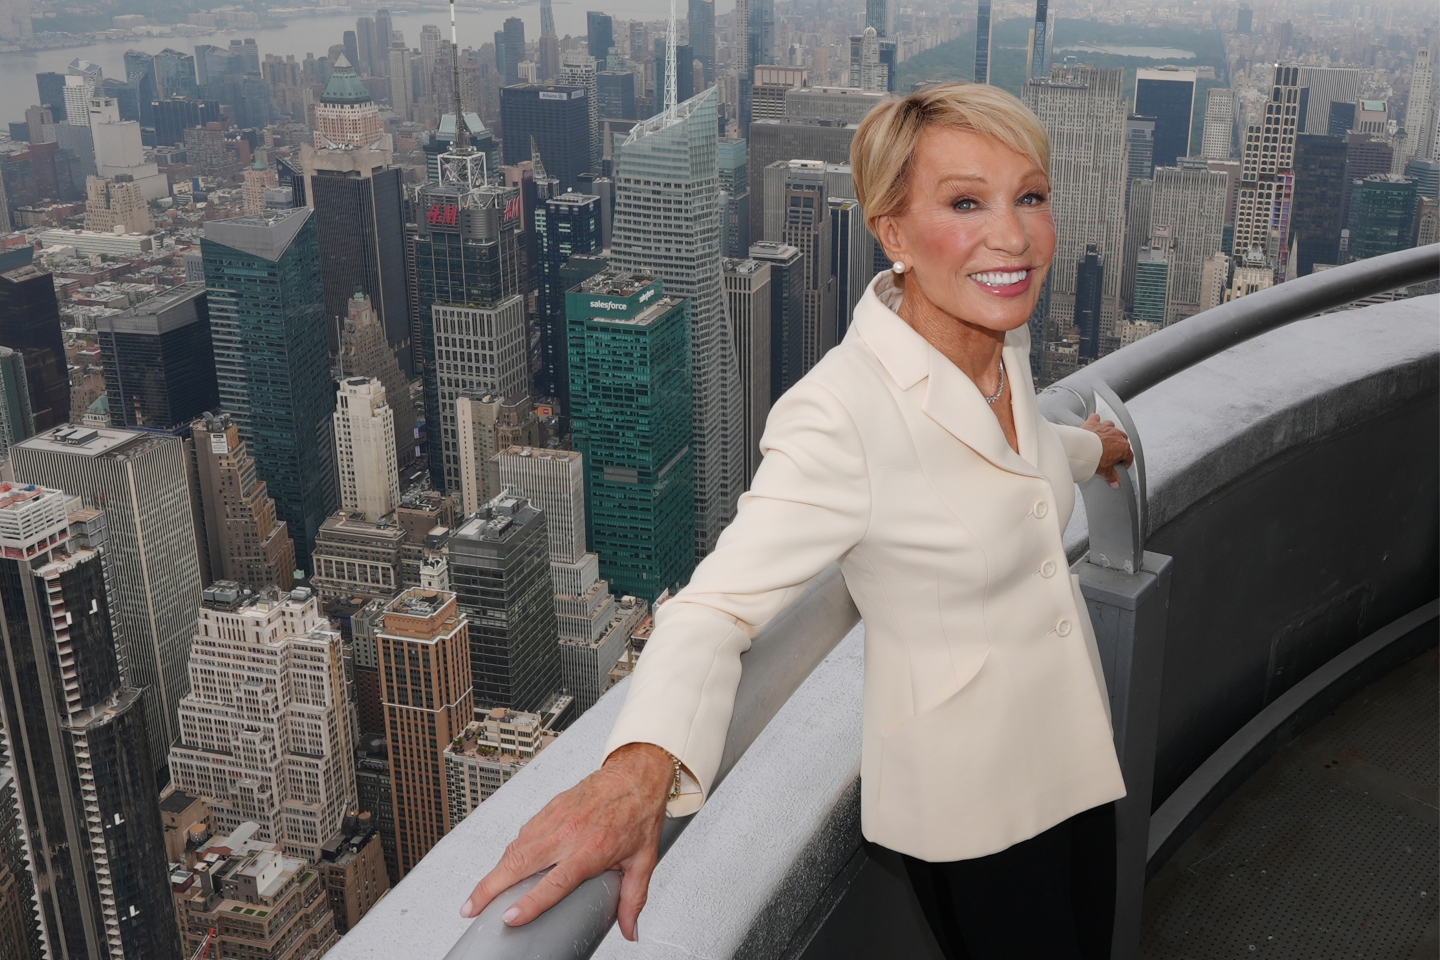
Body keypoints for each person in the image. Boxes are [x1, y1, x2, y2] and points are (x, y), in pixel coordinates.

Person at [458, 82, 1135, 959]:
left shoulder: (1000, 338)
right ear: (891, 230)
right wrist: (634, 773)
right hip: (976, 805)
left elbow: (1020, 450)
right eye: (966, 203)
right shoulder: (841, 412)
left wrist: (1093, 450)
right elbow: (711, 609)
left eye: (1030, 196)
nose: (1013, 236)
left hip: (1073, 742)